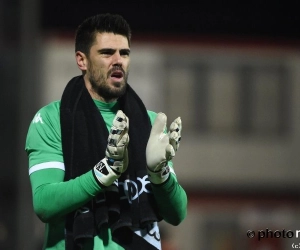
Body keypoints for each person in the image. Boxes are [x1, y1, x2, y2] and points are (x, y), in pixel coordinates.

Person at [25, 13, 187, 250]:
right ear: (82, 60)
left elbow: (177, 214)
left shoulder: (150, 122)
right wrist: (103, 173)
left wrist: (159, 173)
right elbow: (44, 204)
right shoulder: (51, 119)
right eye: (106, 53)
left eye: (124, 53)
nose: (118, 60)